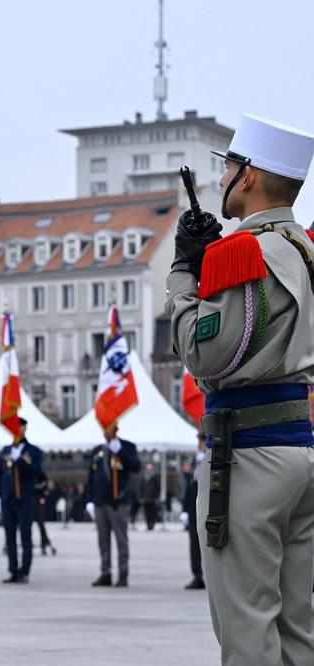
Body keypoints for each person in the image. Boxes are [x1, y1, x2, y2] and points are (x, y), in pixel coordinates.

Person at [166, 113, 314, 664]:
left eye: (227, 166)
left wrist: (185, 271)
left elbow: (206, 355)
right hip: (301, 443)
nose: (222, 177)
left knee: (246, 628)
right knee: (299, 626)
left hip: (248, 455)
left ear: (247, 176)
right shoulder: (305, 247)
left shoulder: (244, 253)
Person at [86, 423, 142, 587]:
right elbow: (91, 478)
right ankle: (106, 572)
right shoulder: (97, 451)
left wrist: (120, 451)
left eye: (109, 428)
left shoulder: (127, 446)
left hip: (118, 502)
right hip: (100, 502)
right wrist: (89, 499)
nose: (106, 432)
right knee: (103, 540)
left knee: (121, 540)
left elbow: (135, 466)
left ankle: (123, 574)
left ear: (116, 429)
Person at [0, 418, 44, 583]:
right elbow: (0, 475)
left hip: (24, 499)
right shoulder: (6, 450)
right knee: (9, 537)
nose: (18, 430)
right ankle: (13, 570)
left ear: (25, 429)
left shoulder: (33, 451)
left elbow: (37, 473)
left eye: (21, 427)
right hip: (8, 500)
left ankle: (24, 570)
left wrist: (19, 460)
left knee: (25, 537)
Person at [180, 433, 206, 590]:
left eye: (202, 442)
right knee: (194, 544)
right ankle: (197, 575)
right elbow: (189, 487)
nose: (199, 445)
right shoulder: (195, 461)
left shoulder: (209, 458)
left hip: (207, 505)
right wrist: (185, 509)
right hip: (193, 507)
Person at [34, 473, 57, 556]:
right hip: (29, 503)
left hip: (37, 504)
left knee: (41, 525)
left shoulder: (40, 475)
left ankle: (44, 544)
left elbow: (43, 488)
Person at [140, 463, 161, 531]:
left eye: (150, 469)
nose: (149, 470)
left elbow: (158, 488)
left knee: (152, 512)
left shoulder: (155, 477)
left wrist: (157, 497)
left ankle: (152, 524)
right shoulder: (144, 478)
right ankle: (148, 524)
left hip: (153, 498)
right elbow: (141, 488)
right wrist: (141, 496)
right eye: (148, 469)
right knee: (147, 512)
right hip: (145, 498)